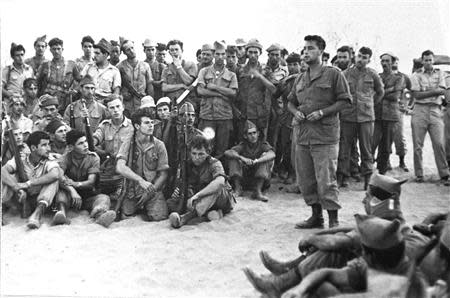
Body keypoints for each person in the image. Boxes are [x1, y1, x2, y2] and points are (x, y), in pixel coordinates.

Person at [287, 35, 352, 229]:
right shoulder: (300, 77)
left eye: (311, 48)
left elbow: (345, 100)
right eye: (304, 49)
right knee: (306, 180)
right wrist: (295, 112)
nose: (306, 52)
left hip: (325, 137)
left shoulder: (334, 74)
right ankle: (316, 217)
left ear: (321, 52)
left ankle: (333, 220)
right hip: (303, 136)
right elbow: (290, 101)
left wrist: (323, 112)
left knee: (326, 180)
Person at [337, 47, 384, 190]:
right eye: (359, 56)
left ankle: (367, 178)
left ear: (369, 60)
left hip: (366, 117)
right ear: (355, 56)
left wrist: (369, 104)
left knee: (366, 148)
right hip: (348, 116)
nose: (360, 60)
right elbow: (339, 92)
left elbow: (380, 92)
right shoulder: (345, 74)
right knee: (344, 147)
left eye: (364, 57)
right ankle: (342, 177)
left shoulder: (373, 74)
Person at [168, 135, 235, 228]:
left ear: (208, 152)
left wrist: (197, 195)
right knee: (172, 202)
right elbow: (181, 183)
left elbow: (219, 182)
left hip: (222, 198)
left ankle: (185, 218)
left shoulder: (214, 163)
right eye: (194, 153)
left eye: (201, 154)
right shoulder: (187, 164)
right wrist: (177, 192)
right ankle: (212, 213)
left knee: (215, 189)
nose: (196, 157)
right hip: (202, 200)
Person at [115, 109, 169, 221]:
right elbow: (120, 167)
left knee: (159, 217)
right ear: (137, 126)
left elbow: (163, 174)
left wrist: (151, 191)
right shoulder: (129, 142)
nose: (151, 126)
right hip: (132, 191)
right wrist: (140, 180)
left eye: (152, 122)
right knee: (126, 217)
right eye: (146, 123)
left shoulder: (159, 145)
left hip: (152, 189)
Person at [55, 129, 116, 227]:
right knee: (60, 195)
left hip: (88, 196)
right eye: (80, 143)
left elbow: (91, 182)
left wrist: (75, 184)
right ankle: (61, 215)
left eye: (85, 141)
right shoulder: (65, 158)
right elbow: (59, 176)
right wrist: (72, 191)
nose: (85, 145)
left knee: (104, 198)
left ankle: (100, 216)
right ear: (71, 147)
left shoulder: (93, 158)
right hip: (70, 196)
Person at [1, 131, 60, 229]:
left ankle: (37, 215)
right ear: (33, 148)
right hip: (21, 198)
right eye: (44, 145)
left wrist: (28, 183)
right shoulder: (21, 158)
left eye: (49, 144)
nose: (49, 148)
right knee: (10, 177)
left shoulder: (48, 159)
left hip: (41, 200)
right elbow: (3, 171)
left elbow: (55, 174)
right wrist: (17, 187)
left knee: (54, 181)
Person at [410, 50, 450, 185]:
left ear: (433, 61)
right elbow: (416, 95)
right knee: (417, 145)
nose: (428, 62)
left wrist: (426, 92)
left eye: (430, 60)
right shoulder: (416, 75)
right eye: (425, 60)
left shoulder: (440, 74)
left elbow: (442, 90)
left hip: (435, 110)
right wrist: (435, 92)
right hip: (419, 110)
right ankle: (419, 174)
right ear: (422, 61)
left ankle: (444, 174)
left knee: (439, 144)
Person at [197, 41, 238, 160]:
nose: (220, 57)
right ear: (213, 55)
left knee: (222, 149)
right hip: (207, 117)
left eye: (223, 54)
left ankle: (221, 175)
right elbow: (200, 91)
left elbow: (233, 93)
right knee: (206, 146)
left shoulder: (231, 75)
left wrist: (215, 87)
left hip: (224, 117)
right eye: (217, 54)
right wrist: (220, 94)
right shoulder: (204, 71)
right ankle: (206, 176)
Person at [93, 95, 134, 200]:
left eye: (118, 106)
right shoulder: (104, 125)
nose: (116, 110)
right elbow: (93, 143)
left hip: (126, 171)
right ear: (107, 110)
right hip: (109, 171)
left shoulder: (132, 126)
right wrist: (104, 153)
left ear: (123, 107)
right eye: (112, 108)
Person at [225, 120, 275, 202]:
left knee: (265, 158)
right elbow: (228, 152)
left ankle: (258, 191)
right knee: (234, 158)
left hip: (259, 180)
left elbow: (272, 154)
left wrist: (258, 160)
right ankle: (238, 189)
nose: (253, 136)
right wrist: (242, 158)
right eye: (250, 134)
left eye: (254, 133)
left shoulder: (262, 145)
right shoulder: (243, 145)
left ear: (258, 134)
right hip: (245, 179)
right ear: (245, 136)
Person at [237, 38, 276, 140]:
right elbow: (236, 91)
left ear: (260, 53)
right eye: (250, 52)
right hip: (243, 113)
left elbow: (274, 89)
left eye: (255, 52)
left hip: (259, 115)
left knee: (260, 142)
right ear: (247, 53)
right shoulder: (240, 70)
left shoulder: (266, 70)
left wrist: (260, 76)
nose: (253, 55)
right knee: (242, 141)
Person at [372, 52, 404, 175]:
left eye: (387, 61)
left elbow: (396, 96)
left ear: (392, 63)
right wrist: (389, 90)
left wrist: (381, 92)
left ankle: (382, 171)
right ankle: (367, 169)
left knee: (386, 145)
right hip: (377, 114)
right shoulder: (377, 76)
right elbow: (373, 94)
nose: (384, 63)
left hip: (391, 115)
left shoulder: (398, 78)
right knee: (372, 143)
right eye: (383, 61)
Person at [275, 52, 302, 185]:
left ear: (300, 64)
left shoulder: (305, 79)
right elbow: (275, 94)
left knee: (299, 148)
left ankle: (299, 176)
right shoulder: (286, 81)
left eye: (295, 64)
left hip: (301, 118)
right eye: (290, 64)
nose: (292, 67)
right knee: (286, 147)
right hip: (286, 118)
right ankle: (290, 173)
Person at [36, 37, 81, 115]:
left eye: (58, 49)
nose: (56, 51)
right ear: (50, 50)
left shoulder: (71, 64)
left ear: (62, 49)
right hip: (48, 100)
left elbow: (80, 80)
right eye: (54, 49)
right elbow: (37, 82)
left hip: (65, 100)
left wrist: (75, 90)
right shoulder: (45, 65)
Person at [117, 39, 154, 116]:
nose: (131, 51)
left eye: (132, 48)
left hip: (142, 103)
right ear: (124, 53)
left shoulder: (145, 66)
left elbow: (150, 85)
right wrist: (123, 94)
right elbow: (117, 86)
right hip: (127, 105)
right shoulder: (120, 67)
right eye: (128, 50)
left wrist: (150, 101)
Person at [81, 39, 121, 103]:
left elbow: (116, 93)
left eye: (97, 53)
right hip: (89, 102)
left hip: (105, 103)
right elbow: (81, 84)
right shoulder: (88, 66)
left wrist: (105, 101)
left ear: (105, 54)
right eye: (94, 53)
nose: (94, 56)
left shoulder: (114, 71)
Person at [264, 43, 288, 148]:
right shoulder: (262, 69)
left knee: (274, 137)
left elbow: (285, 90)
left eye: (277, 55)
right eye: (272, 55)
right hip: (263, 105)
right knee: (262, 136)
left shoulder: (284, 71)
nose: (274, 57)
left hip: (277, 106)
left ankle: (274, 162)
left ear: (280, 56)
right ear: (268, 56)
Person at [161, 39, 197, 108]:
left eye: (176, 49)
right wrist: (181, 85)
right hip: (173, 105)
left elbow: (188, 81)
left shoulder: (191, 65)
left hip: (188, 105)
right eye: (172, 50)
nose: (174, 52)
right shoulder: (166, 69)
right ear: (169, 52)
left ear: (182, 51)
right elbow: (164, 87)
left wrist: (179, 67)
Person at [392, 58, 411, 172]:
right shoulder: (382, 76)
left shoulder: (404, 77)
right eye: (391, 62)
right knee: (385, 137)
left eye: (395, 62)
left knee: (399, 136)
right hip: (386, 109)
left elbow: (412, 91)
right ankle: (386, 162)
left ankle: (402, 161)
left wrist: (408, 105)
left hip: (398, 109)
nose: (393, 64)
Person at [2, 43, 34, 108]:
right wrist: (10, 95)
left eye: (22, 55)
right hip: (11, 103)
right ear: (12, 57)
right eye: (17, 55)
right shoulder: (7, 70)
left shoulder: (29, 69)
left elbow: (33, 86)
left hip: (26, 103)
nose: (20, 57)